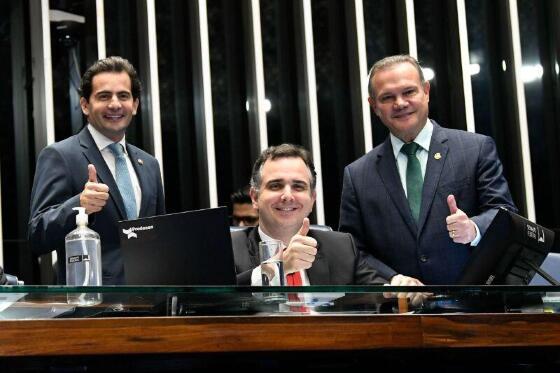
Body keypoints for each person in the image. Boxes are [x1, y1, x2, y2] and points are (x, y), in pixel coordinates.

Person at [339, 54, 517, 284]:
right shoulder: (358, 175)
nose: (400, 103)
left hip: (475, 307)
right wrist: (392, 280)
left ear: (426, 91)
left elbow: (505, 215)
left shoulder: (475, 149)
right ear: (374, 106)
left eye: (409, 92)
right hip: (399, 312)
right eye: (387, 97)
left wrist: (473, 229)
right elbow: (353, 250)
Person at [28, 56, 165, 285]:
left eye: (123, 96)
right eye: (104, 96)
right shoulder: (61, 156)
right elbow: (37, 236)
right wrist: (79, 205)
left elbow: (159, 236)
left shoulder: (149, 164)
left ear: (136, 105)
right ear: (84, 105)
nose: (115, 104)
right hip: (91, 307)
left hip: (149, 303)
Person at [231, 143, 423, 292]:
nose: (288, 195)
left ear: (312, 198)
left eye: (298, 186)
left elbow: (377, 295)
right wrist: (278, 268)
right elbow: (213, 304)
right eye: (275, 186)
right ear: (255, 197)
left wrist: (398, 287)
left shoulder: (340, 247)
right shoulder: (227, 247)